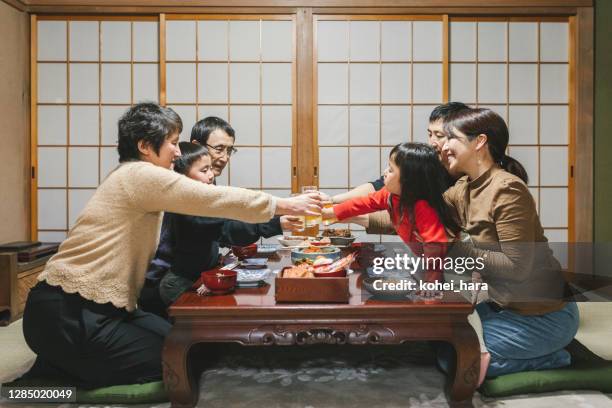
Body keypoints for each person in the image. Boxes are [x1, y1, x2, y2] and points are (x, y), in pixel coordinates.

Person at [21, 103, 321, 389]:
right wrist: (283, 205)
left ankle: (67, 362)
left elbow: (217, 214)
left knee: (191, 348)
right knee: (176, 362)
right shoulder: (139, 175)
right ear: (144, 146)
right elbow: (215, 201)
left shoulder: (142, 177)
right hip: (67, 310)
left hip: (110, 309)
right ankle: (58, 377)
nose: (178, 152)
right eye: (173, 143)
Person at [440, 107, 578, 383]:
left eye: (449, 138)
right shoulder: (464, 187)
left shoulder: (506, 189)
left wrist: (454, 248)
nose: (442, 147)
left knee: (457, 360)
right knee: (441, 340)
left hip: (544, 316)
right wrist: (342, 212)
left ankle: (555, 357)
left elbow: (517, 267)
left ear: (479, 142)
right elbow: (422, 216)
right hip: (501, 307)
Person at [143, 142, 301, 312]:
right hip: (179, 282)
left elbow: (228, 222)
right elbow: (228, 229)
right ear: (182, 180)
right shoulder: (187, 209)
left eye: (210, 168)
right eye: (204, 171)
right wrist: (276, 223)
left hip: (198, 275)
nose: (211, 175)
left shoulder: (198, 203)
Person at [322, 142, 460, 281]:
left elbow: (435, 247)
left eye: (391, 169)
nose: (384, 172)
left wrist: (431, 283)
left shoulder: (422, 206)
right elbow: (362, 203)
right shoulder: (389, 195)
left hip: (451, 267)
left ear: (408, 180)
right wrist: (330, 212)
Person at [328, 102, 469, 234]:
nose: (432, 142)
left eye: (439, 135)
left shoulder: (468, 180)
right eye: (430, 134)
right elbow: (378, 189)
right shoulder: (429, 165)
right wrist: (332, 201)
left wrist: (348, 214)